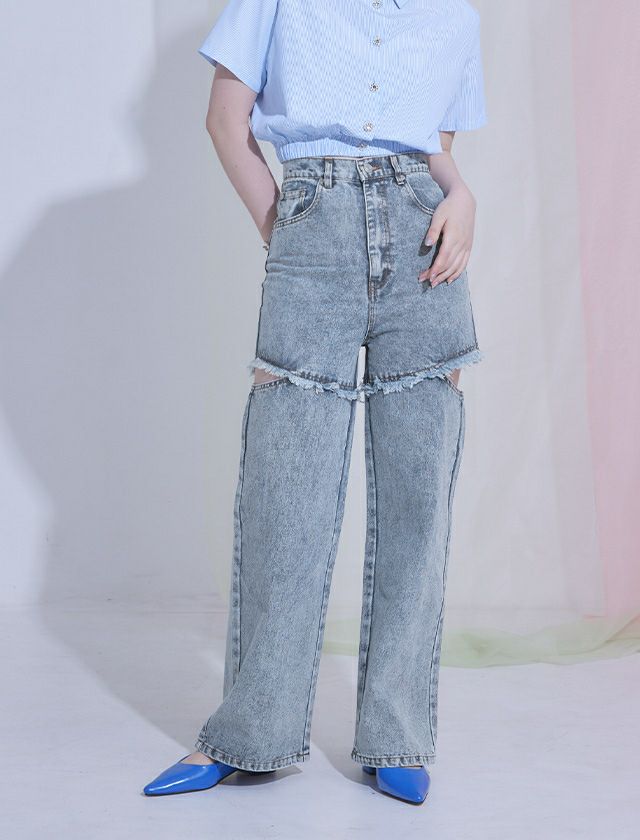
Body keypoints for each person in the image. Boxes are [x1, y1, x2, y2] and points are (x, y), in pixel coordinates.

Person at [143, 0, 487, 805]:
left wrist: (464, 194)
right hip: (310, 226)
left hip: (427, 245)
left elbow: (435, 149)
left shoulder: (455, 15)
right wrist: (289, 232)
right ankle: (250, 732)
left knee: (418, 505)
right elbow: (225, 122)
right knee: (285, 500)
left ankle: (397, 734)